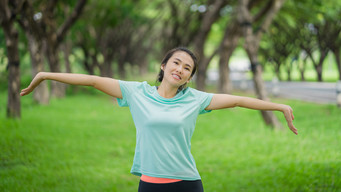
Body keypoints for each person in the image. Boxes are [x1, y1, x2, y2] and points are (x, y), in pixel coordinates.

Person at [20, 47, 298, 192]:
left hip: (188, 183)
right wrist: (45, 75)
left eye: (187, 68)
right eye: (176, 62)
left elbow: (238, 100)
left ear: (190, 76)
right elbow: (92, 80)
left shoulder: (195, 100)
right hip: (151, 184)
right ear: (164, 66)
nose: (180, 69)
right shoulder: (136, 92)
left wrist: (279, 106)